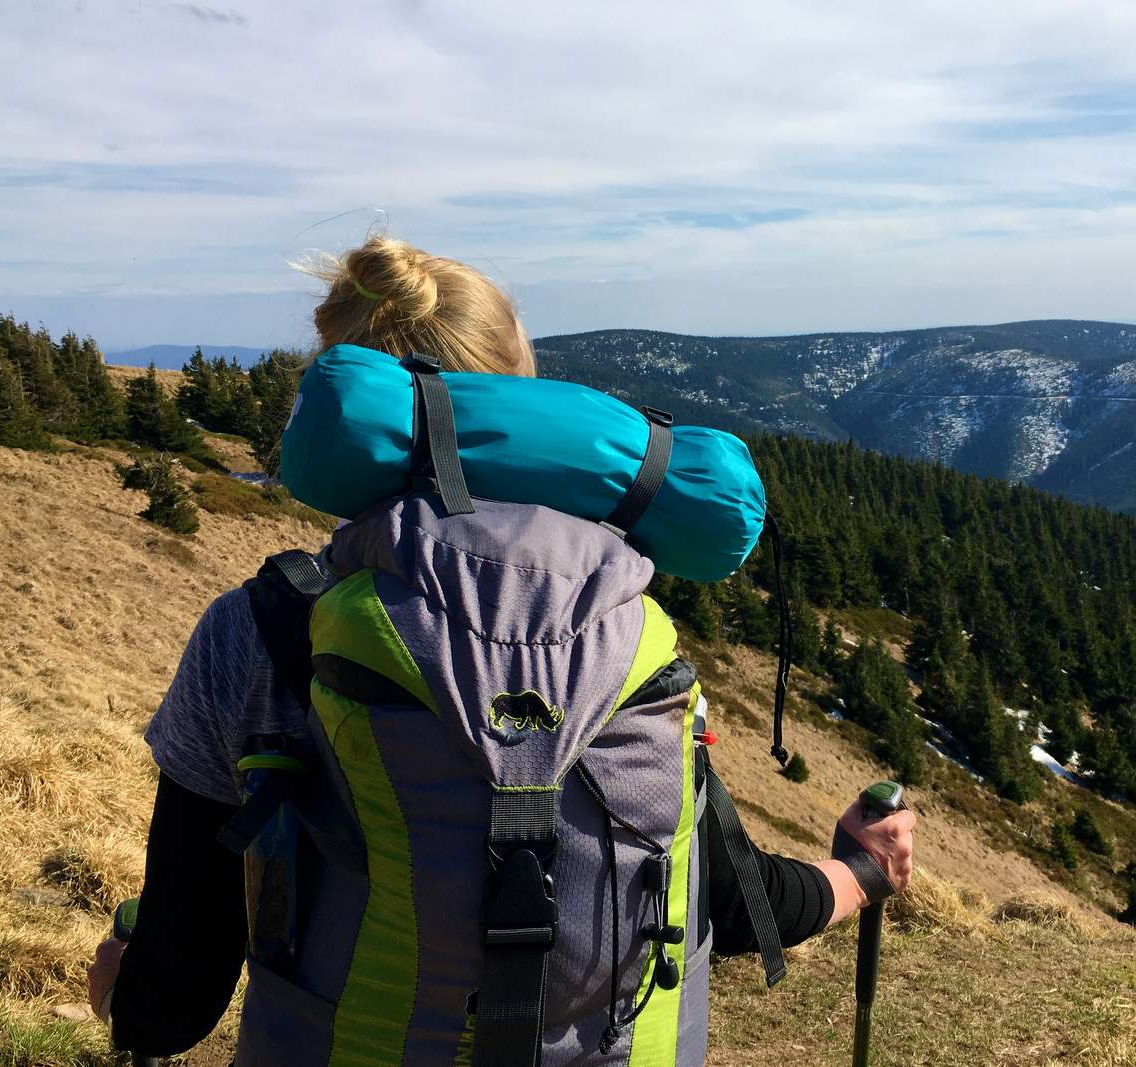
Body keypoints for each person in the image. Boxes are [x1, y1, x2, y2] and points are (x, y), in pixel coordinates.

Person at [88, 235, 916, 1065]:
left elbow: (172, 1000)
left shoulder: (265, 629)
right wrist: (863, 869)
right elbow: (732, 902)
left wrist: (124, 985)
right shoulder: (627, 630)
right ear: (520, 398)